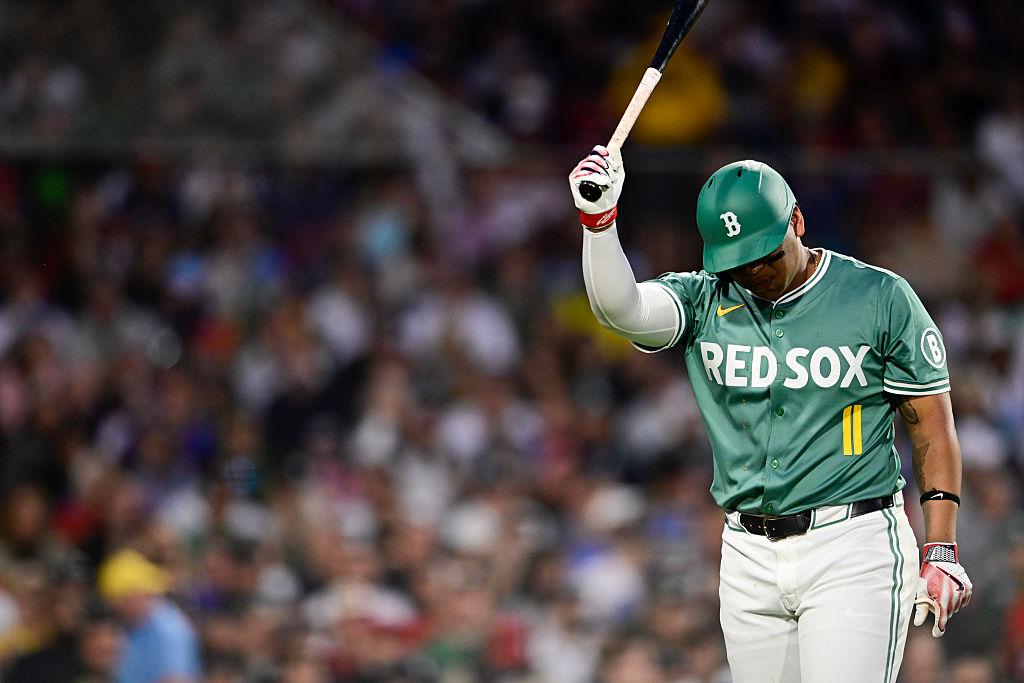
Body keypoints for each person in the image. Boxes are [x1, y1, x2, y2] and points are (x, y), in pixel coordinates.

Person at [569, 146, 973, 682]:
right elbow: (622, 311)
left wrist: (941, 546)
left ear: (797, 221)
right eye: (739, 260)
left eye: (765, 253)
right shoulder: (704, 300)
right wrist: (599, 224)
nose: (754, 270)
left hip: (852, 544)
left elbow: (931, 426)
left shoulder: (877, 297)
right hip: (746, 554)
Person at [97, 548, 201, 683]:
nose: (117, 607)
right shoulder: (133, 624)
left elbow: (177, 679)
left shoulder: (169, 631)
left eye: (120, 600)